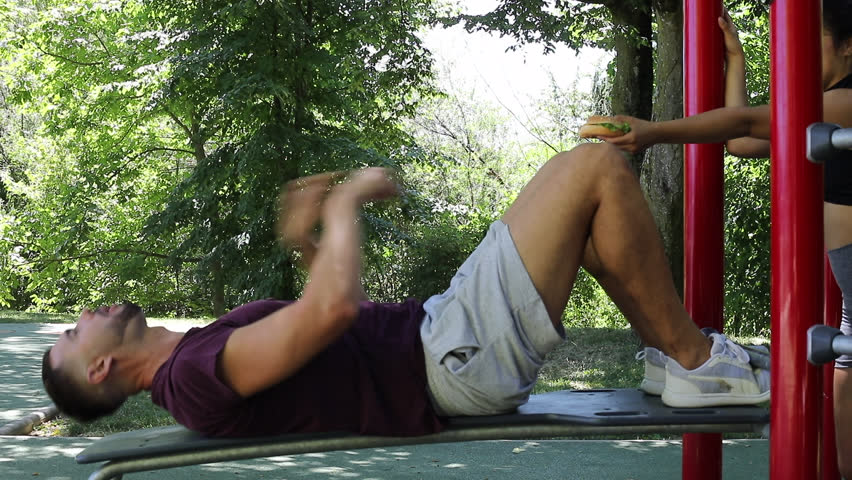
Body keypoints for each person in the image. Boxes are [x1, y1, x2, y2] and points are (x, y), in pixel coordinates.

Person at [41, 145, 770, 439]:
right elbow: (332, 310)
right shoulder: (195, 376)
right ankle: (695, 362)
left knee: (584, 218)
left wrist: (305, 245)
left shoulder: (195, 356)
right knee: (595, 169)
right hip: (448, 360)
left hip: (443, 341)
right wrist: (345, 201)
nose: (82, 316)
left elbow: (318, 333)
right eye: (74, 335)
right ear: (100, 369)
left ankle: (676, 358)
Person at [593, 1, 852, 475]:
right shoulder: (816, 112)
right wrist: (736, 58)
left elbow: (747, 123)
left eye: (810, 37)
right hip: (849, 286)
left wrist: (655, 131)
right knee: (839, 440)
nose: (795, 52)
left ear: (848, 45)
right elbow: (741, 142)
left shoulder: (844, 103)